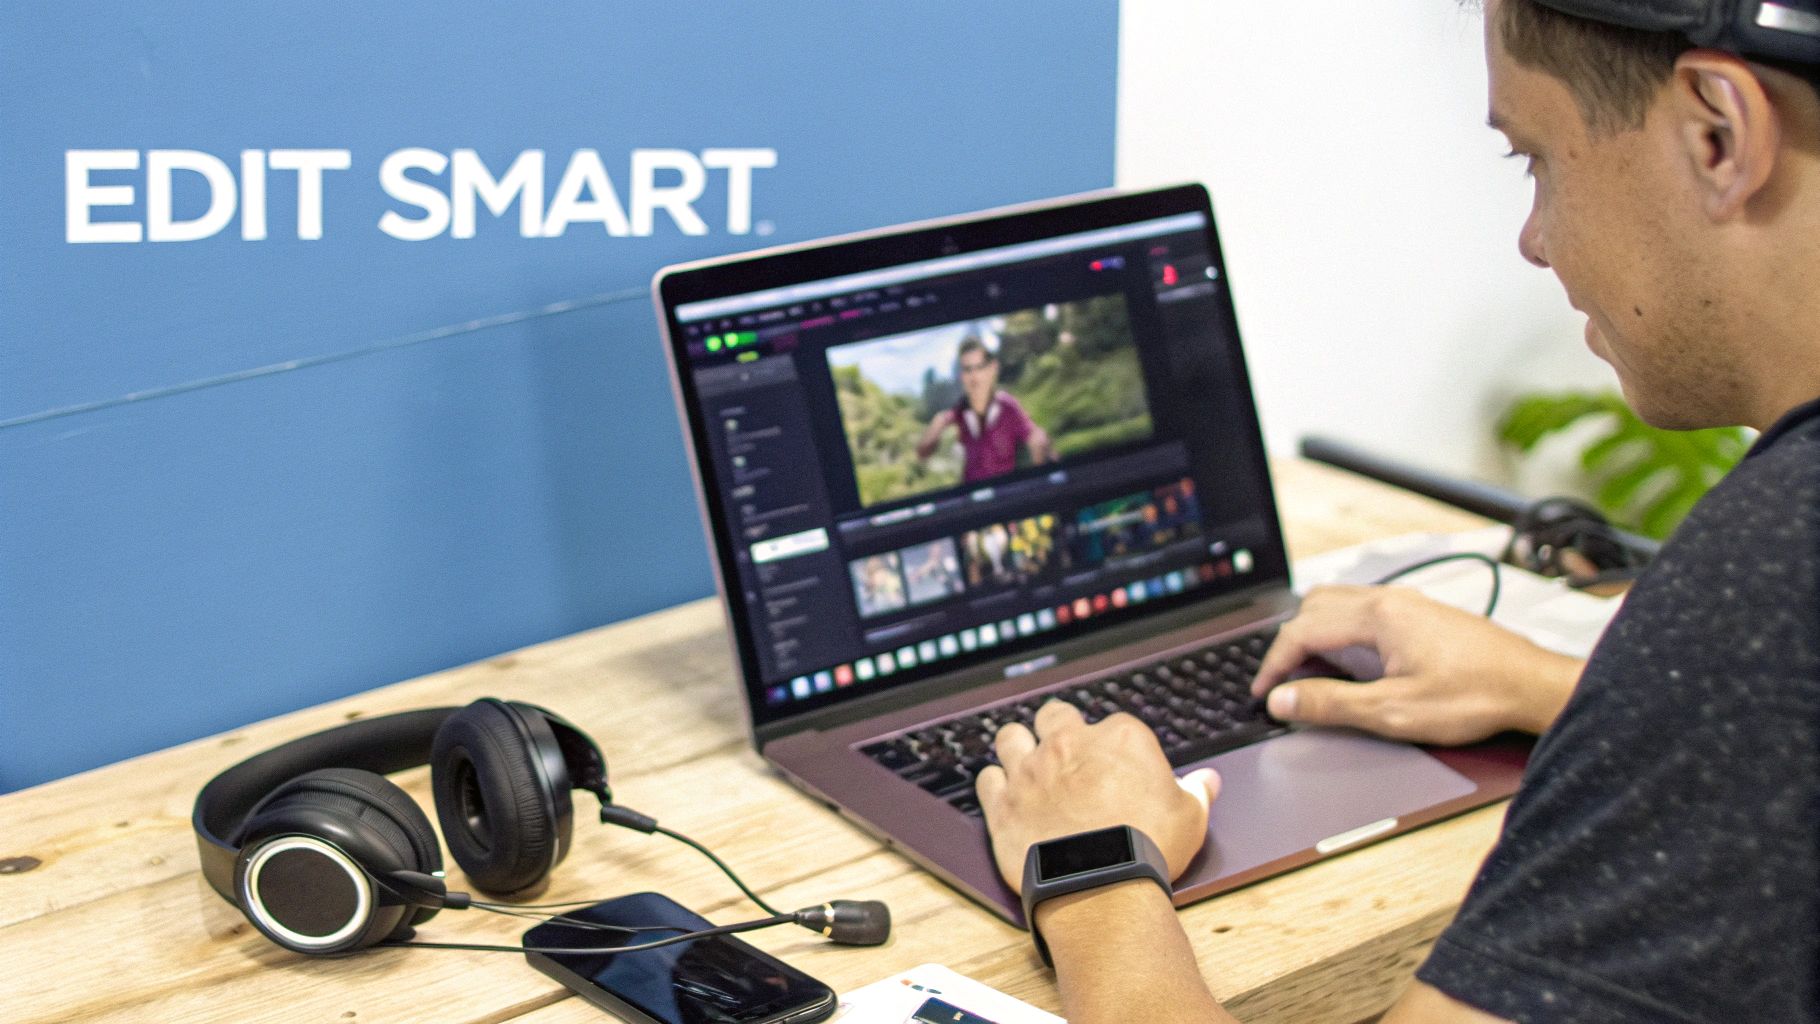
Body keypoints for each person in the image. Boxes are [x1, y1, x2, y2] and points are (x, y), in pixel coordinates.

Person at [975, 1, 1820, 1020]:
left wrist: (1090, 870)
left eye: (1533, 161)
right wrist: (1566, 689)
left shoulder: (1773, 574)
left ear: (1716, 134)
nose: (1533, 240)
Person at [915, 336, 1054, 481]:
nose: (974, 378)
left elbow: (1034, 436)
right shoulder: (959, 413)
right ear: (963, 376)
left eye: (980, 368)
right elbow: (922, 453)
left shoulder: (1007, 406)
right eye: (968, 370)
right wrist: (937, 425)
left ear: (992, 368)